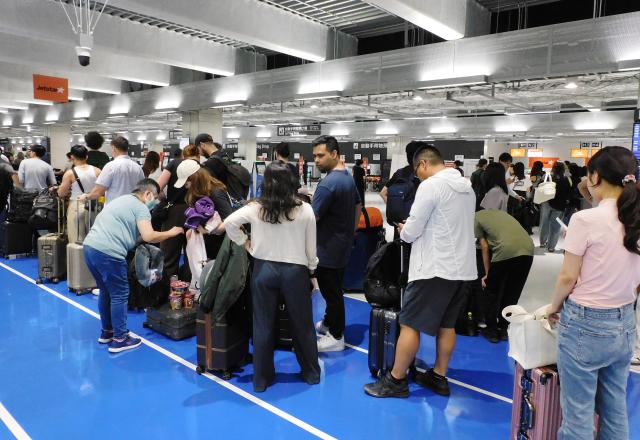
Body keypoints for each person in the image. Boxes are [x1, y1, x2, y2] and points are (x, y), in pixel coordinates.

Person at [364, 145, 476, 398]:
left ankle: (396, 380)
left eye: (417, 171)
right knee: (447, 325)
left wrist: (405, 227)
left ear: (424, 164)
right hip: (463, 267)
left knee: (409, 324)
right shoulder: (467, 187)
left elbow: (413, 231)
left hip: (434, 268)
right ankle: (438, 376)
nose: (418, 177)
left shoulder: (431, 186)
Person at [547, 146, 640, 440]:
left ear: (595, 176)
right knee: (615, 410)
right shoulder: (634, 218)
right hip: (625, 323)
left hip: (584, 324)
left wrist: (553, 306)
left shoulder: (585, 221)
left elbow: (567, 276)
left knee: (578, 417)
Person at [220, 162, 320, 393]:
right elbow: (311, 249)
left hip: (264, 269)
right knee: (302, 324)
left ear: (266, 183)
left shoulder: (256, 207)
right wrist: (312, 270)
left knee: (263, 325)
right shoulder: (305, 209)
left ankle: (261, 379)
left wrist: (245, 243)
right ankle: (311, 373)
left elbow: (229, 223)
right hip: (295, 271)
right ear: (292, 182)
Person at [83, 179, 184, 353]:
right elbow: (149, 236)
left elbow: (132, 236)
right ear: (147, 194)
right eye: (155, 198)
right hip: (109, 253)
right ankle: (120, 338)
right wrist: (172, 232)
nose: (155, 203)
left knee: (106, 291)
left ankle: (107, 332)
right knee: (120, 294)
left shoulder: (121, 201)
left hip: (90, 248)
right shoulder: (141, 207)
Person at [311, 135, 361, 352]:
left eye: (321, 155)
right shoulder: (347, 177)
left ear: (334, 154)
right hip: (341, 245)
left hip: (327, 249)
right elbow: (359, 205)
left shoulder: (328, 184)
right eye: (314, 156)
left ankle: (336, 336)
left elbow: (311, 219)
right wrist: (350, 230)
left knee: (331, 293)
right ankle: (329, 323)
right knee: (333, 289)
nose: (316, 160)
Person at [475, 209, 534, 342]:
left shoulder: (475, 217)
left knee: (491, 290)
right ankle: (504, 328)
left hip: (505, 250)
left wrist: (487, 274)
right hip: (528, 249)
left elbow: (484, 246)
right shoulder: (501, 213)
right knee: (512, 292)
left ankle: (491, 330)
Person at [176, 160, 233, 259]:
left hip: (220, 248)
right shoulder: (199, 192)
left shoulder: (216, 193)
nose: (185, 187)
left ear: (192, 178)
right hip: (206, 246)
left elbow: (231, 220)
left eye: (186, 183)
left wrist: (208, 230)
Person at [156, 147, 196, 278]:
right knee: (192, 255)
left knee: (169, 254)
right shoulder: (200, 167)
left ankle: (168, 290)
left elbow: (157, 187)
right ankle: (189, 290)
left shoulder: (174, 164)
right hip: (195, 212)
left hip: (174, 212)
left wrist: (164, 198)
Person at [80, 136, 144, 205]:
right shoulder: (138, 167)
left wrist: (86, 196)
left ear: (113, 148)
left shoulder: (111, 166)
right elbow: (142, 189)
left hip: (114, 209)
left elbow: (98, 191)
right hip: (132, 208)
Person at [57, 145, 100, 243]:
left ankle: (78, 258)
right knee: (94, 238)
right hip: (94, 206)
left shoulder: (69, 173)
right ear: (87, 156)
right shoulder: (97, 171)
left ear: (72, 157)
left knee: (76, 239)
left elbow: (61, 193)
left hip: (76, 206)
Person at [539, 161, 571, 253]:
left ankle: (542, 242)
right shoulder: (566, 178)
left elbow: (539, 186)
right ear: (563, 169)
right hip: (559, 205)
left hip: (547, 202)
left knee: (544, 222)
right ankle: (551, 247)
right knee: (555, 226)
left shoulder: (547, 176)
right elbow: (569, 191)